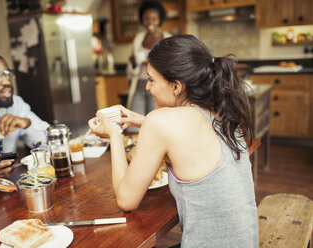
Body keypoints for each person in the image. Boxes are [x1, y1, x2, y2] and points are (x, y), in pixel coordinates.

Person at [89, 35, 258, 247]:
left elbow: (125, 200)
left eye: (151, 80)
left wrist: (114, 134)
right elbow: (189, 134)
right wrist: (139, 120)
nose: (147, 88)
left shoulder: (160, 121)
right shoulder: (222, 111)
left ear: (177, 87)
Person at [126, 0, 171, 116]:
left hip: (158, 85)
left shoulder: (167, 39)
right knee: (134, 118)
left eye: (154, 18)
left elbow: (171, 65)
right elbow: (132, 68)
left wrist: (152, 64)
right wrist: (133, 63)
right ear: (142, 20)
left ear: (160, 20)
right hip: (140, 84)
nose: (150, 22)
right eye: (146, 18)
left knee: (154, 118)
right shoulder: (138, 38)